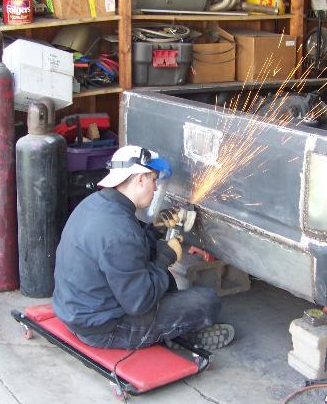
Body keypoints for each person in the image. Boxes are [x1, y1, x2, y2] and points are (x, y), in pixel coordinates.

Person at [52, 145, 235, 351]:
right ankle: (183, 335)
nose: (156, 188)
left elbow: (126, 255)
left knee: (165, 280)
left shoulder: (95, 204)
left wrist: (154, 230)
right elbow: (139, 303)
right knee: (206, 301)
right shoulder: (120, 231)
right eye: (153, 180)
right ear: (140, 179)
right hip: (104, 330)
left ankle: (173, 331)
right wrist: (164, 259)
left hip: (78, 313)